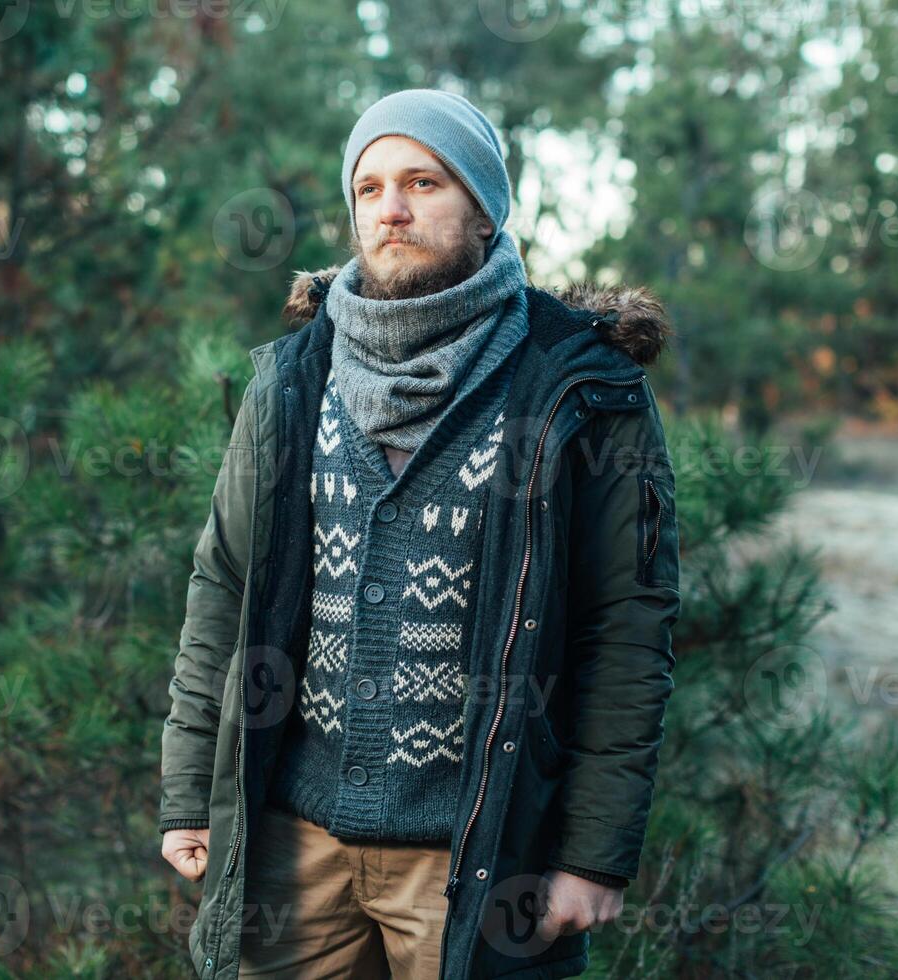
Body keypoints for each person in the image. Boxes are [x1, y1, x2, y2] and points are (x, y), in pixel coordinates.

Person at [159, 88, 681, 979]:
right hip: (293, 840)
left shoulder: (580, 390)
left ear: (482, 210)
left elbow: (626, 632)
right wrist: (187, 796)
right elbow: (222, 588)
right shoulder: (292, 379)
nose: (390, 209)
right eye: (369, 188)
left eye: (423, 182)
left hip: (473, 851)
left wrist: (592, 853)